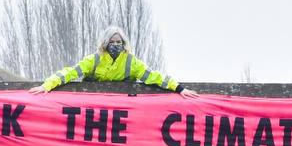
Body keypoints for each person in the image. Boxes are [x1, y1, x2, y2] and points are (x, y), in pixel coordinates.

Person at [28, 26, 198, 98]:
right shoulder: (94, 59)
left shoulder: (131, 62)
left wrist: (179, 88)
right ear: (105, 43)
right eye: (112, 42)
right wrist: (46, 86)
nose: (116, 45)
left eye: (119, 42)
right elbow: (70, 72)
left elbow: (153, 76)